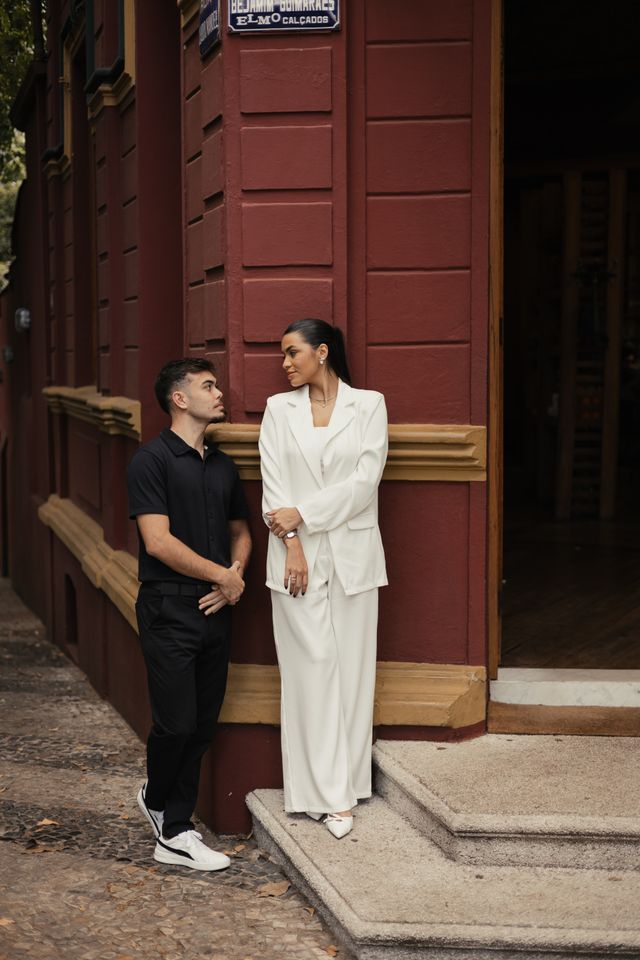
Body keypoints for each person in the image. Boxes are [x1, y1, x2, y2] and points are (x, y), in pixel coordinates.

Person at [258, 319, 388, 839]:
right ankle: (321, 793)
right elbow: (273, 488)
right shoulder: (277, 409)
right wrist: (293, 542)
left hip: (353, 555)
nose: (285, 363)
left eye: (293, 353)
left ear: (323, 352)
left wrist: (305, 514)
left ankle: (346, 787)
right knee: (309, 671)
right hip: (295, 559)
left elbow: (365, 481)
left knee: (352, 672)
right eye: (283, 355)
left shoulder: (369, 405)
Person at [126, 358, 251, 871]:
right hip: (168, 606)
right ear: (179, 399)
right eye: (208, 386)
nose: (220, 393)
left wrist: (234, 575)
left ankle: (170, 824)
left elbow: (240, 530)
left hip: (217, 606)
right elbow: (157, 542)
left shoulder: (222, 466)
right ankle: (169, 819)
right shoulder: (150, 461)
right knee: (175, 723)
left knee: (201, 725)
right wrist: (221, 575)